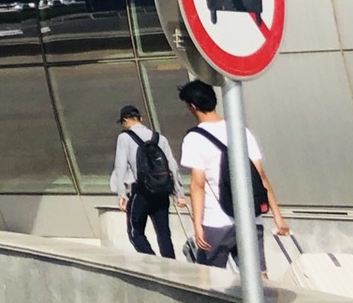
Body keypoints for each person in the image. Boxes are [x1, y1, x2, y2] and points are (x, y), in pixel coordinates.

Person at [177, 79, 289, 268]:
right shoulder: (240, 130)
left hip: (216, 221)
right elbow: (260, 175)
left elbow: (198, 185)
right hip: (251, 218)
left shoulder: (194, 138)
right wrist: (278, 216)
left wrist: (197, 224)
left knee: (211, 278)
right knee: (259, 278)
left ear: (193, 106)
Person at [109, 104, 177, 258]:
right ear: (141, 119)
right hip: (161, 192)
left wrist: (121, 194)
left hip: (140, 191)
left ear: (125, 119)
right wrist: (178, 192)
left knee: (135, 232)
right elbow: (172, 165)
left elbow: (120, 166)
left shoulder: (124, 137)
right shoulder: (159, 138)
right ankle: (171, 267)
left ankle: (152, 263)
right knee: (164, 234)